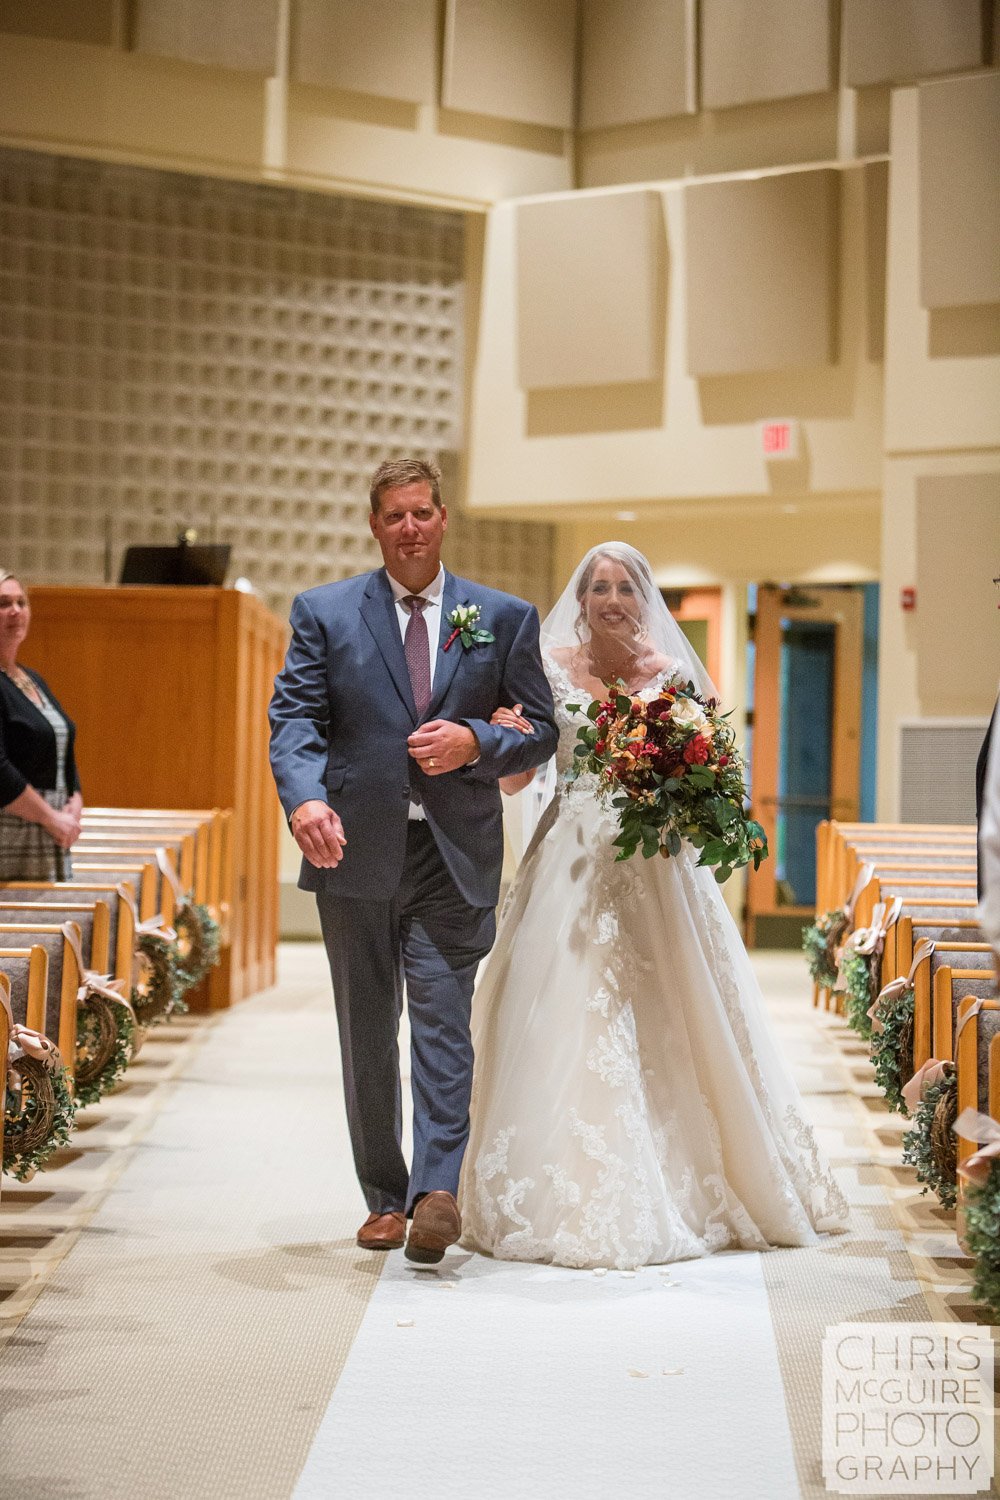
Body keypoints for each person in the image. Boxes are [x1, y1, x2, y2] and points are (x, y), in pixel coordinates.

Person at [460, 542, 850, 1270]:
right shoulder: (546, 669)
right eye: (599, 586)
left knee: (672, 1005)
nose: (612, 598)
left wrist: (682, 779)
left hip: (654, 863)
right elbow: (516, 784)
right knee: (562, 1006)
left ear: (644, 601)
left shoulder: (670, 677)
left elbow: (712, 779)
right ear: (580, 600)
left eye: (626, 588)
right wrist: (506, 743)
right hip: (567, 860)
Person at [268, 459, 557, 1264]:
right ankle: (384, 1198)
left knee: (441, 1022)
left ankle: (437, 1192)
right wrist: (304, 800)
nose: (410, 528)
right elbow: (294, 720)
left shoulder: (501, 616)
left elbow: (540, 729)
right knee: (367, 1032)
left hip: (452, 854)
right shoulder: (325, 613)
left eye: (422, 513)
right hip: (353, 851)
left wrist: (479, 740)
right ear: (375, 524)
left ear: (443, 518)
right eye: (394, 515)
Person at [0, 569, 82, 880]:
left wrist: (75, 802)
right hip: (13, 831)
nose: (16, 611)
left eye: (22, 602)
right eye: (4, 603)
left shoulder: (32, 679)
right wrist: (50, 818)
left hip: (52, 830)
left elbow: (62, 746)